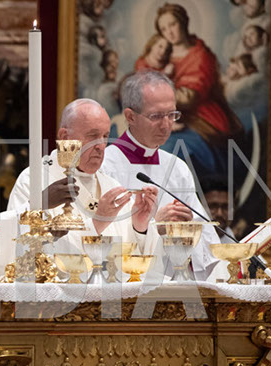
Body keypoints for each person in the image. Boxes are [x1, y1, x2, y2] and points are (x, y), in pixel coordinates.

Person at [102, 71, 220, 280]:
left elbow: (207, 242)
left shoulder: (177, 167)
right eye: (156, 116)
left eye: (172, 115)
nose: (166, 125)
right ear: (130, 116)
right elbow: (99, 235)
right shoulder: (106, 165)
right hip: (125, 285)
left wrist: (188, 228)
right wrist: (153, 226)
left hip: (175, 284)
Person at [8, 98, 158, 254]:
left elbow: (132, 258)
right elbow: (20, 248)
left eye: (105, 136)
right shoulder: (34, 181)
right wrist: (96, 224)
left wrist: (139, 228)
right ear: (65, 137)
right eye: (93, 136)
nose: (101, 146)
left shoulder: (111, 186)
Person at [155, 3, 241, 150]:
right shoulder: (162, 55)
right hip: (169, 115)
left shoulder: (201, 56)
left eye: (172, 24)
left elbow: (190, 97)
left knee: (169, 149)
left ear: (183, 22)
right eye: (163, 29)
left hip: (200, 115)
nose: (169, 32)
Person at [200, 175, 236, 242]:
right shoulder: (187, 242)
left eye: (226, 207)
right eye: (212, 206)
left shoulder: (234, 243)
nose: (219, 214)